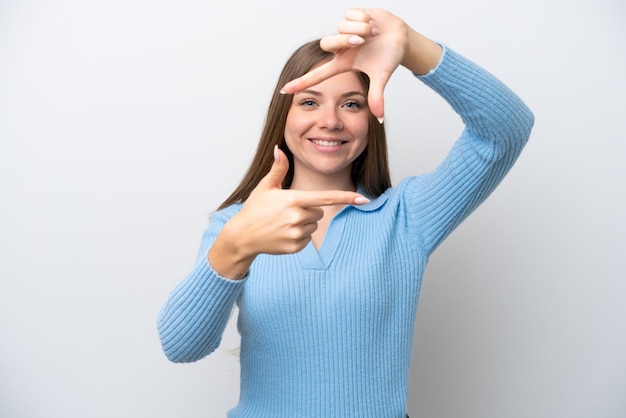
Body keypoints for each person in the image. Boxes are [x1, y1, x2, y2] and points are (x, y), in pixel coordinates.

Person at [157, 7, 534, 418]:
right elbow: (182, 347)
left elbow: (505, 130)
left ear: (371, 118)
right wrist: (234, 249)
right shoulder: (236, 225)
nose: (330, 121)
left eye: (351, 104)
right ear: (283, 116)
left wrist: (410, 47)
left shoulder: (407, 217)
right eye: (309, 101)